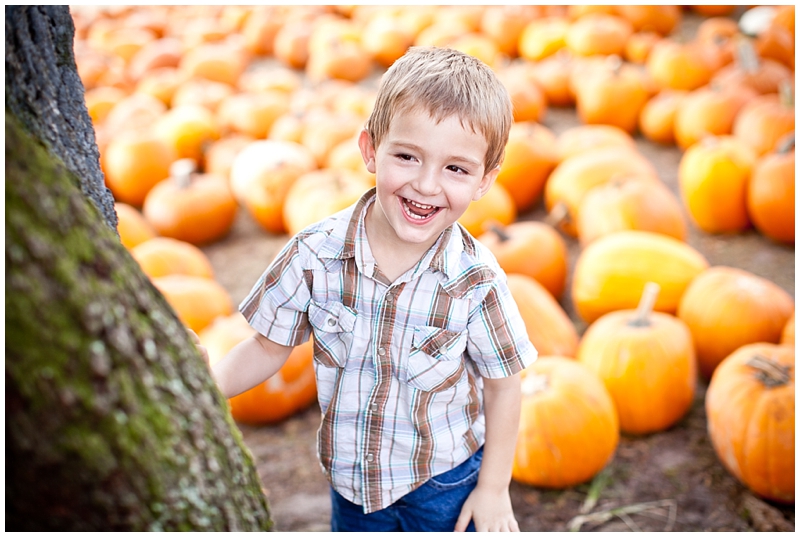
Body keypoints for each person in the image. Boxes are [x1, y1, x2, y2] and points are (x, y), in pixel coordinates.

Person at [197, 46, 537, 532]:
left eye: (455, 169)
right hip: (351, 486)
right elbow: (267, 347)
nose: (425, 185)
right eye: (407, 156)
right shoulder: (316, 255)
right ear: (370, 149)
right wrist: (205, 391)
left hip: (443, 483)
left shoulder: (474, 280)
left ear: (485, 180)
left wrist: (493, 489)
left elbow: (504, 386)